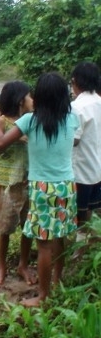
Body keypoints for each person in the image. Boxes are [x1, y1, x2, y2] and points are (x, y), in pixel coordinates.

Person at [0, 72, 79, 307]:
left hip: (42, 187)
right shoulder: (71, 118)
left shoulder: (31, 121)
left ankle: (43, 296)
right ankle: (56, 282)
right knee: (59, 237)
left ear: (40, 96)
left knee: (44, 244)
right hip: (67, 185)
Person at [0, 81, 35, 285]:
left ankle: (23, 265)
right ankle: (2, 267)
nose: (33, 100)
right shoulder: (2, 121)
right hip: (7, 181)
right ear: (20, 100)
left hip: (28, 179)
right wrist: (10, 136)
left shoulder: (31, 121)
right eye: (29, 96)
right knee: (4, 227)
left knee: (28, 226)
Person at [70, 61, 101, 227]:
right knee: (93, 216)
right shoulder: (99, 101)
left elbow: (74, 140)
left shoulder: (76, 107)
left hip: (80, 172)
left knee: (78, 218)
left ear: (75, 81)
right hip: (97, 169)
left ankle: (78, 244)